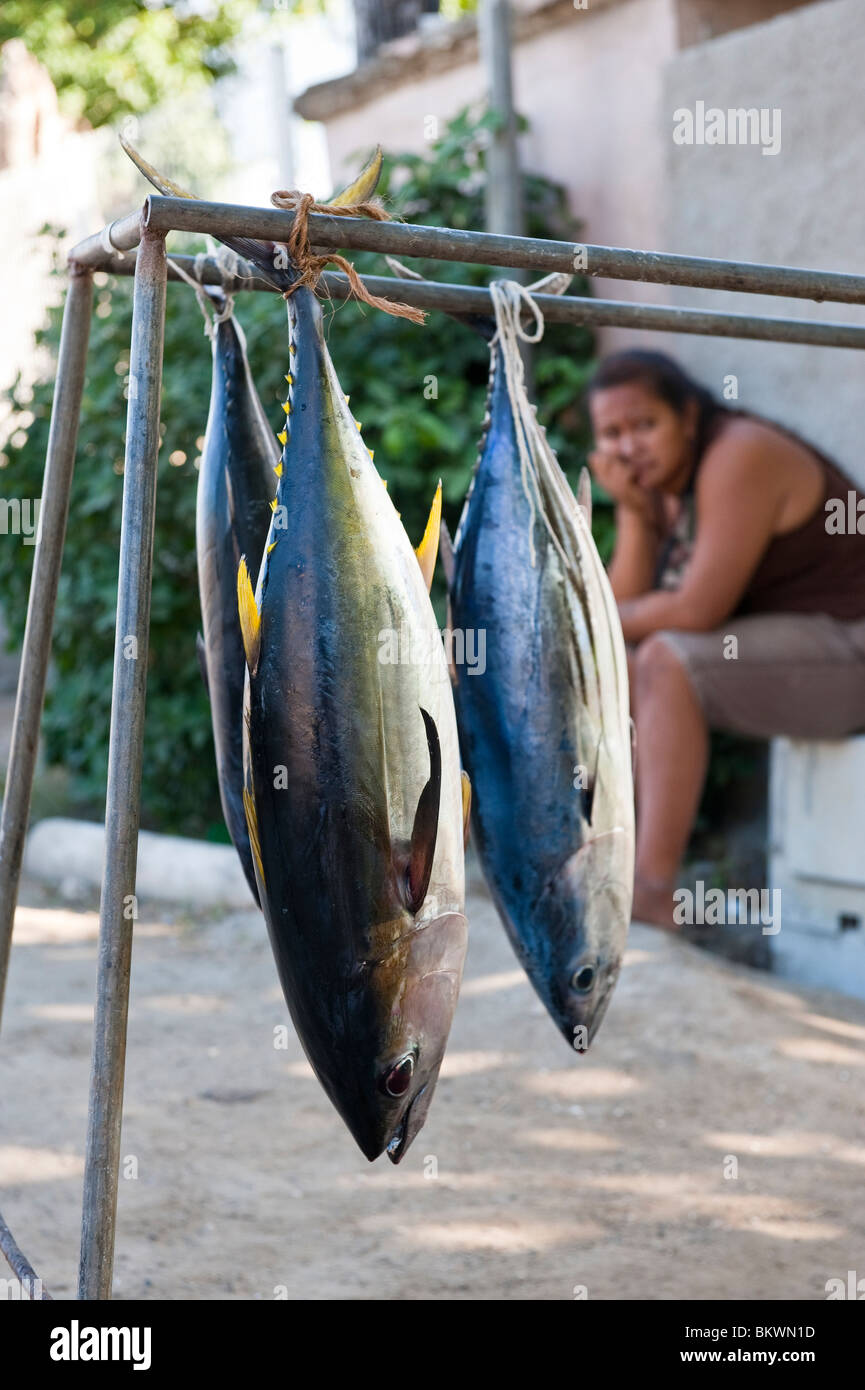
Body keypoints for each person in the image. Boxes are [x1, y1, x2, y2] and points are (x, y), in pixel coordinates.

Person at [585, 349, 865, 928]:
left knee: (664, 659)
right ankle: (609, 867)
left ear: (688, 417)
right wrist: (633, 514)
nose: (629, 447)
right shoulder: (664, 484)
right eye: (611, 434)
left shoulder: (738, 454)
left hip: (851, 647)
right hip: (805, 650)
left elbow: (693, 610)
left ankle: (653, 892)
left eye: (644, 424)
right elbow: (623, 610)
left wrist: (577, 624)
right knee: (631, 660)